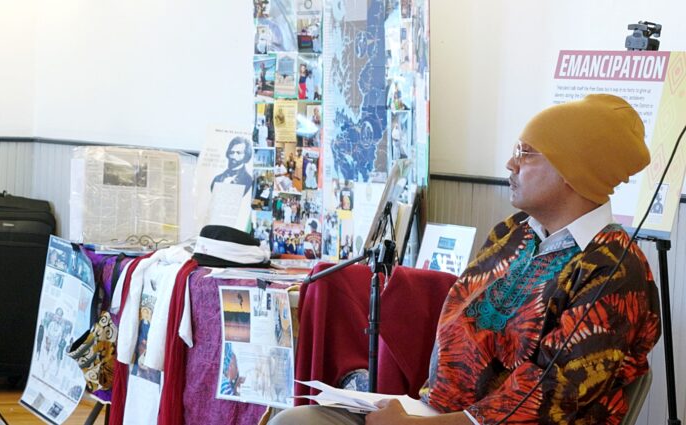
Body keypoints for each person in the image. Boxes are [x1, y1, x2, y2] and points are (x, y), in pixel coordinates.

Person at [271, 94, 660, 424]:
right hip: (434, 412)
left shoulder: (614, 270)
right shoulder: (513, 234)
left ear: (572, 171)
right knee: (296, 419)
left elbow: (548, 399)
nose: (510, 165)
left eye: (525, 153)